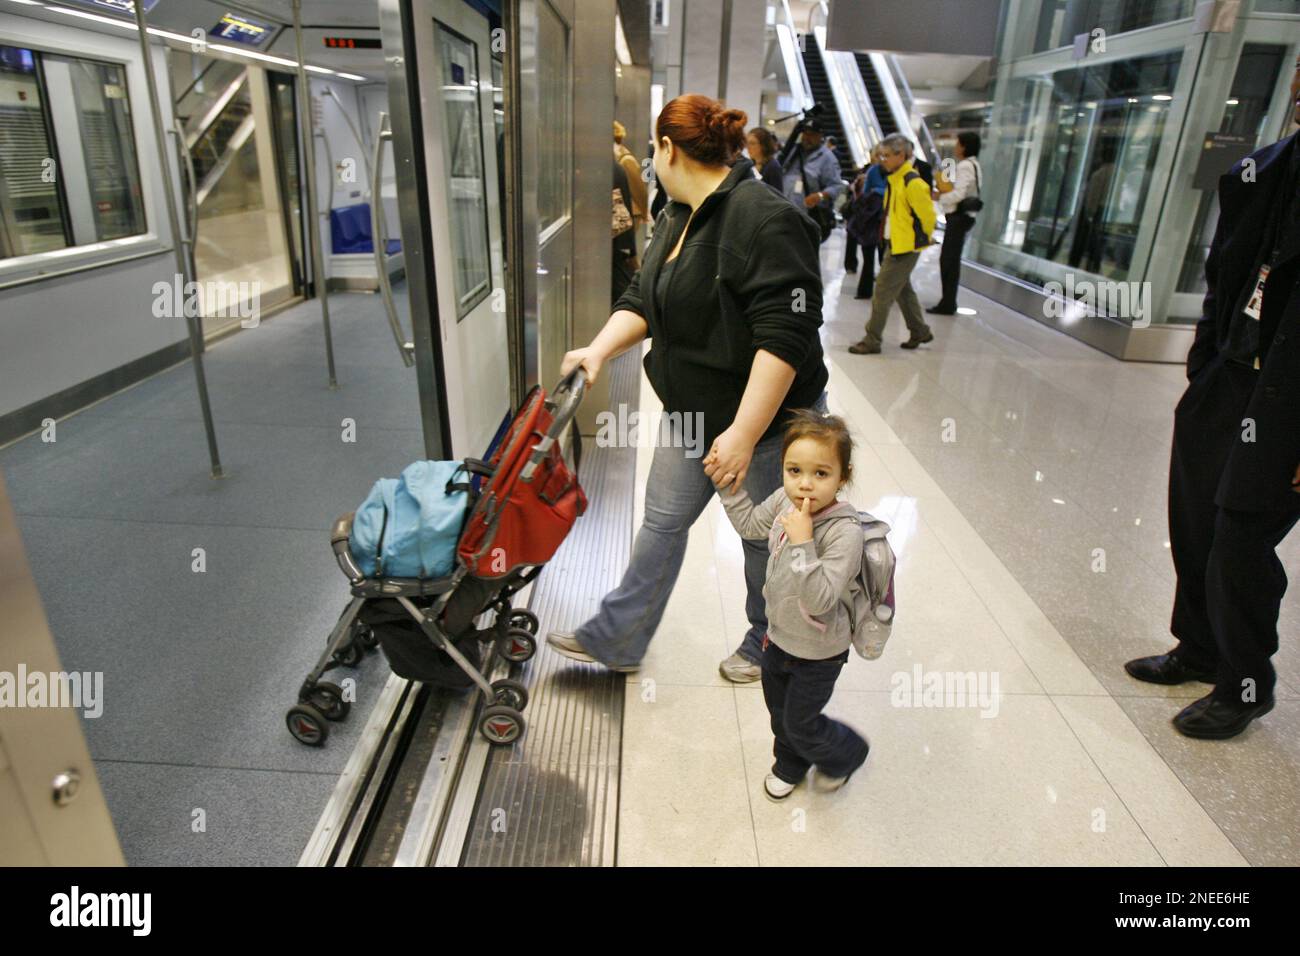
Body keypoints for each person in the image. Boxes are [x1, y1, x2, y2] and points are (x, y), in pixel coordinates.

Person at [545, 94, 830, 685]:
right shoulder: (677, 212)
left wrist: (746, 435)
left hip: (770, 421)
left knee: (762, 536)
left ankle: (769, 640)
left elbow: (786, 337)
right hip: (693, 410)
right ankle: (619, 636)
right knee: (662, 520)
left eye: (654, 149)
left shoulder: (769, 221)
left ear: (669, 149)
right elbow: (643, 298)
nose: (652, 159)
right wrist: (598, 350)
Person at [1124, 59, 1300, 740]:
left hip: (1287, 399)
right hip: (1231, 372)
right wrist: (1205, 364)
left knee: (1240, 537)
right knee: (1195, 516)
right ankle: (1196, 646)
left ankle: (1245, 682)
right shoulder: (1267, 170)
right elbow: (1224, 268)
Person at [712, 408, 870, 799]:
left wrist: (802, 542)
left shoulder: (845, 533)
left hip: (819, 653)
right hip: (777, 639)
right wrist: (727, 487)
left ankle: (848, 752)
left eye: (821, 474)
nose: (804, 485)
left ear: (842, 477)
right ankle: (789, 765)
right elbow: (752, 526)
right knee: (780, 716)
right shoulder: (785, 499)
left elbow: (819, 600)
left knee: (801, 722)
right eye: (794, 470)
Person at [848, 133, 937, 355]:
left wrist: (919, 238)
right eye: (881, 155)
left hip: (905, 246)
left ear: (901, 155)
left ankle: (872, 339)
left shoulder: (912, 182)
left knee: (882, 292)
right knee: (902, 291)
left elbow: (928, 217)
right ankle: (920, 330)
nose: (882, 160)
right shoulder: (895, 179)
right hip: (894, 243)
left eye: (887, 156)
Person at [929, 131, 982, 315]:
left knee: (949, 260)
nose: (955, 147)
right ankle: (948, 300)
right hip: (965, 218)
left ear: (964, 146)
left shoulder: (965, 166)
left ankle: (948, 302)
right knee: (951, 260)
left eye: (958, 144)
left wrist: (939, 196)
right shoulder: (974, 164)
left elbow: (959, 194)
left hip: (958, 218)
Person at [780, 120, 843, 238]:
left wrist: (819, 196)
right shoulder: (793, 151)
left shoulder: (827, 158)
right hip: (785, 213)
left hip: (807, 218)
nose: (807, 138)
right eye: (805, 134)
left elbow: (836, 186)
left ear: (820, 137)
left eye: (812, 135)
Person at [849, 145, 888, 299]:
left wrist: (876, 191)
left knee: (884, 258)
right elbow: (864, 194)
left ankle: (884, 294)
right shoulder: (872, 171)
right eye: (879, 155)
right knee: (869, 257)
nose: (882, 158)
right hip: (870, 219)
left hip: (885, 219)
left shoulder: (895, 173)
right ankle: (866, 290)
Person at [612, 157, 638, 304]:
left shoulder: (624, 161)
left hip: (616, 237)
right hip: (619, 237)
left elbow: (639, 189)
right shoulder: (617, 164)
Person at [614, 120, 650, 223]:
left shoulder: (626, 159)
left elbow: (639, 190)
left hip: (630, 213)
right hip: (622, 212)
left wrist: (644, 212)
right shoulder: (618, 156)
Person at [746, 126, 784, 191]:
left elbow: (777, 196)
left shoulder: (773, 166)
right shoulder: (750, 164)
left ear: (763, 145)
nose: (748, 147)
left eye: (752, 143)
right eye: (747, 143)